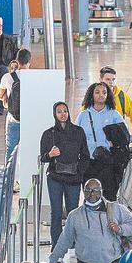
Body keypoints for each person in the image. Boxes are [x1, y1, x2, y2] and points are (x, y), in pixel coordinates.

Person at [40, 101, 91, 243]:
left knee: (72, 212)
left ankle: (73, 243)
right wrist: (50, 155)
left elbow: (85, 155)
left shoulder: (78, 132)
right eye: (59, 111)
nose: (63, 114)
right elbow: (42, 157)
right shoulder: (48, 134)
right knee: (56, 212)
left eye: (65, 111)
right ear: (54, 114)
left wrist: (79, 172)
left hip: (73, 178)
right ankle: (56, 245)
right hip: (55, 177)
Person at [76, 82, 127, 200]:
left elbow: (127, 137)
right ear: (91, 95)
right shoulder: (83, 116)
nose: (101, 95)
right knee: (90, 196)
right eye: (97, 92)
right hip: (89, 162)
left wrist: (113, 143)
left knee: (109, 196)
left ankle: (109, 218)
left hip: (108, 162)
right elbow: (76, 138)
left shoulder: (114, 115)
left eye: (104, 92)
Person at [0, 49, 31, 161]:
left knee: (11, 148)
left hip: (13, 118)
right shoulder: (34, 76)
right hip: (30, 119)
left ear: (17, 61)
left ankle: (8, 175)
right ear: (29, 62)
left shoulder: (7, 77)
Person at [99, 66, 132, 133]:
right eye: (108, 79)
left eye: (113, 79)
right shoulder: (93, 96)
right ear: (101, 79)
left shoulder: (121, 96)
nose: (111, 82)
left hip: (117, 137)